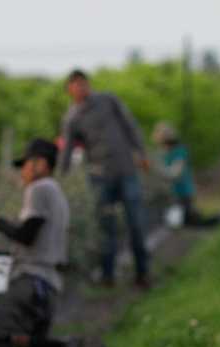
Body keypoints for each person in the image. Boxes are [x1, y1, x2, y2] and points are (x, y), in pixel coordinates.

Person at [0, 139, 95, 347]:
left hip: (31, 281)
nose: (22, 172)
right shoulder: (56, 192)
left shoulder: (39, 188)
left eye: (25, 165)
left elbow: (27, 235)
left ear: (41, 164)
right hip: (48, 287)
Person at [58, 69, 152, 289]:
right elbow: (67, 151)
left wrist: (141, 152)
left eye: (84, 83)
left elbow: (130, 126)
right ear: (69, 90)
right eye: (76, 85)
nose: (81, 88)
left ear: (89, 84)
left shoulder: (108, 100)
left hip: (126, 169)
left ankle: (143, 273)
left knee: (136, 222)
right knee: (105, 226)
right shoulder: (72, 118)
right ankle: (108, 275)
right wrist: (60, 179)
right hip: (99, 176)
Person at [152, 122, 220, 228]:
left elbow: (174, 174)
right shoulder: (162, 153)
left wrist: (156, 168)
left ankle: (213, 219)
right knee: (178, 221)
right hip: (171, 195)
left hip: (182, 193)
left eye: (158, 134)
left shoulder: (179, 151)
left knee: (185, 222)